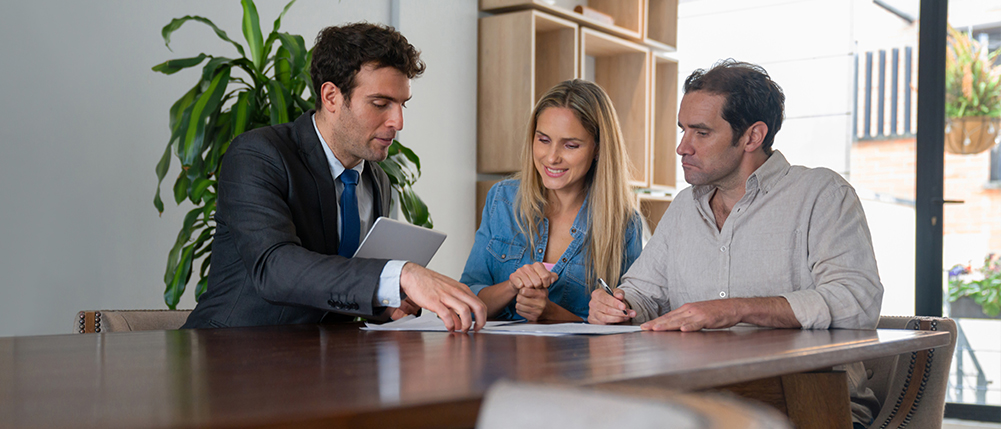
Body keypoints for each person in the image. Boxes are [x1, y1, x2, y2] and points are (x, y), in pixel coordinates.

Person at [588, 60, 884, 426]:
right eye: (682, 130)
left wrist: (737, 309)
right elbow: (642, 294)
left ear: (752, 136)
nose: (682, 147)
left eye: (701, 133)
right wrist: (617, 305)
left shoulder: (822, 194)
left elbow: (857, 301)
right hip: (698, 402)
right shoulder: (684, 207)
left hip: (808, 403)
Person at [182, 23, 486, 332]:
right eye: (380, 104)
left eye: (401, 104)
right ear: (331, 96)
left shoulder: (376, 179)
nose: (398, 121)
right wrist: (401, 274)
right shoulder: (257, 154)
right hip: (232, 356)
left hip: (326, 361)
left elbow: (341, 292)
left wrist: (387, 301)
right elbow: (275, 269)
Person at [461, 79, 643, 322]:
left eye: (570, 145)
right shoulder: (502, 200)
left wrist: (551, 313)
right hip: (497, 358)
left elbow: (622, 327)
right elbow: (468, 300)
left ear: (598, 149)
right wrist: (512, 286)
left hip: (574, 360)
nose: (552, 157)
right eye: (543, 140)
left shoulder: (624, 224)